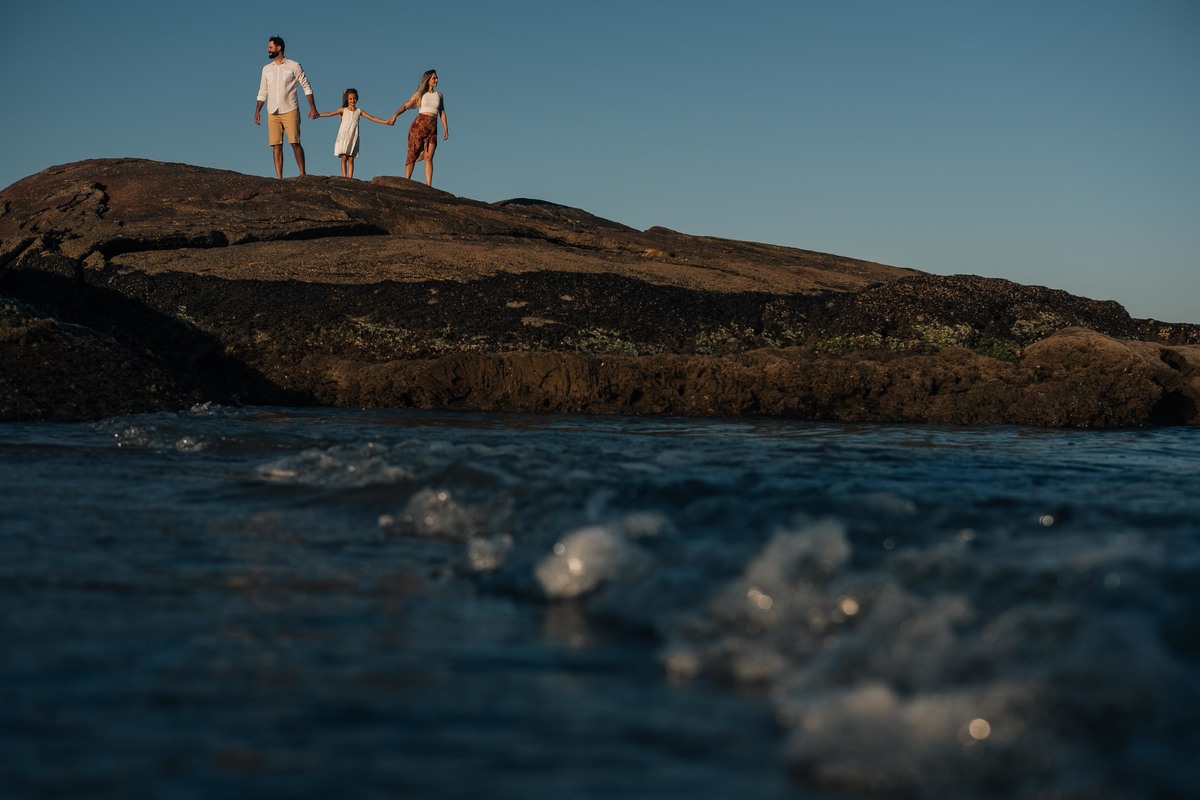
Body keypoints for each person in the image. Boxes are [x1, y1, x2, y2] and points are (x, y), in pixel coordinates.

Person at [254, 36, 319, 178]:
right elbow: (262, 91)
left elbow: (306, 86)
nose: (268, 50)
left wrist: (312, 107)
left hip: (290, 109)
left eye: (270, 47)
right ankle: (279, 177)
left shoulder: (294, 66)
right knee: (276, 145)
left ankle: (302, 174)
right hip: (272, 111)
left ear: (279, 48)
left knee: (294, 142)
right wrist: (257, 110)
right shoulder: (266, 69)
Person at [388, 69, 449, 186]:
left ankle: (428, 185)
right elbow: (406, 105)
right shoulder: (420, 94)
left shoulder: (439, 95)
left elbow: (442, 112)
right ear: (428, 80)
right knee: (412, 153)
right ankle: (407, 180)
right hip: (419, 125)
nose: (436, 80)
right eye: (434, 78)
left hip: (432, 127)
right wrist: (395, 115)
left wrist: (446, 128)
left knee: (429, 156)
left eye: (436, 78)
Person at [319, 89, 390, 178]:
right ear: (347, 100)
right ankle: (344, 177)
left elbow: (372, 117)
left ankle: (350, 178)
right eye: (350, 99)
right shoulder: (343, 110)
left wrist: (385, 122)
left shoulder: (359, 111)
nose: (353, 101)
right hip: (344, 136)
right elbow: (330, 113)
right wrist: (318, 115)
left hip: (353, 137)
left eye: (354, 99)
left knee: (351, 158)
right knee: (344, 157)